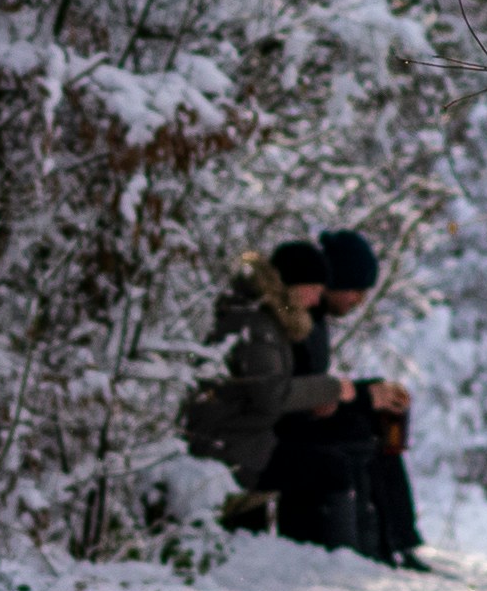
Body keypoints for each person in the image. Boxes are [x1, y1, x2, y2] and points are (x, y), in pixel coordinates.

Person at [182, 230, 426, 561]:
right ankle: (351, 555)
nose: (359, 300)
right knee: (344, 449)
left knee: (372, 426)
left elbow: (290, 386)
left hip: (257, 433)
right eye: (353, 289)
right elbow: (275, 393)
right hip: (248, 441)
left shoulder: (286, 314)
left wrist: (353, 394)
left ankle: (389, 544)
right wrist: (348, 394)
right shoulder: (269, 319)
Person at [274, 226, 427, 564]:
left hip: (305, 414)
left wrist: (368, 393)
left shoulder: (313, 318)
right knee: (362, 428)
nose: (359, 300)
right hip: (288, 426)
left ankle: (398, 538)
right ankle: (377, 544)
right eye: (355, 290)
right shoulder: (299, 320)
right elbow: (291, 391)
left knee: (387, 416)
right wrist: (361, 396)